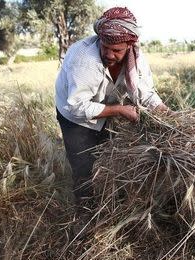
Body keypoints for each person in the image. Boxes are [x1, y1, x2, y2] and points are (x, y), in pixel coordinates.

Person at [55, 7, 168, 204]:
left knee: (108, 156)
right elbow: (77, 106)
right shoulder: (84, 60)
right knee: (83, 165)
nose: (108, 54)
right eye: (105, 46)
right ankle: (85, 212)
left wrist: (166, 112)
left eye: (116, 50)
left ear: (130, 45)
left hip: (105, 107)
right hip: (73, 114)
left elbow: (145, 92)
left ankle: (111, 201)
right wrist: (119, 110)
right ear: (100, 38)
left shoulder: (137, 59)